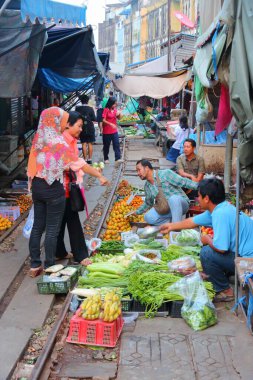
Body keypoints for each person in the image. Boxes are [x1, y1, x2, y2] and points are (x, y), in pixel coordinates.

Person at [27, 107, 108, 277]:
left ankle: (35, 265)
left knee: (37, 227)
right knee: (51, 230)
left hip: (37, 187)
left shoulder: (38, 140)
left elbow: (32, 166)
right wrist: (99, 175)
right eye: (62, 120)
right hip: (54, 189)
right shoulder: (58, 142)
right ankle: (50, 266)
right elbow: (76, 163)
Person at [160, 178, 253, 301]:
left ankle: (225, 290)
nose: (197, 199)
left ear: (207, 198)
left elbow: (221, 249)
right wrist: (171, 226)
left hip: (248, 260)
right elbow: (192, 221)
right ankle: (229, 275)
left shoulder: (220, 214)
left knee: (207, 252)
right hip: (242, 254)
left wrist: (207, 239)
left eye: (198, 196)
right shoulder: (221, 208)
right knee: (210, 247)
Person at [56, 111, 108, 264]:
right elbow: (79, 164)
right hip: (62, 189)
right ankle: (81, 255)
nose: (80, 129)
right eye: (78, 126)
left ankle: (59, 252)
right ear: (67, 125)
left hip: (64, 189)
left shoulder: (70, 140)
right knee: (72, 221)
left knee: (62, 220)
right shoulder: (63, 143)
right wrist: (99, 176)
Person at [134, 159, 198, 225]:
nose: (138, 173)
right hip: (166, 209)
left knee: (173, 199)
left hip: (180, 204)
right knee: (148, 217)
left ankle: (176, 230)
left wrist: (200, 186)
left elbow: (183, 182)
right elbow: (148, 203)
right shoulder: (147, 186)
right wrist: (137, 212)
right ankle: (170, 225)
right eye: (137, 171)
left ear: (146, 168)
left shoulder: (165, 174)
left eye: (139, 170)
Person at [75, 95, 96, 164]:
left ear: (81, 101)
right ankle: (90, 159)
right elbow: (94, 118)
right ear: (88, 101)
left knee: (83, 143)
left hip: (82, 127)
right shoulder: (90, 109)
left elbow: (75, 118)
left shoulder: (77, 109)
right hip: (90, 127)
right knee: (90, 143)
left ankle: (85, 159)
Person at [102, 97, 123, 164]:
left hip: (114, 131)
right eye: (114, 104)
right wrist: (110, 124)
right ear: (110, 103)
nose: (115, 105)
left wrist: (120, 114)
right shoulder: (106, 110)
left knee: (116, 144)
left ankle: (117, 158)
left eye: (115, 104)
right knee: (106, 146)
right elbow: (103, 120)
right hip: (106, 131)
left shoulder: (115, 110)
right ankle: (106, 158)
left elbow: (119, 118)